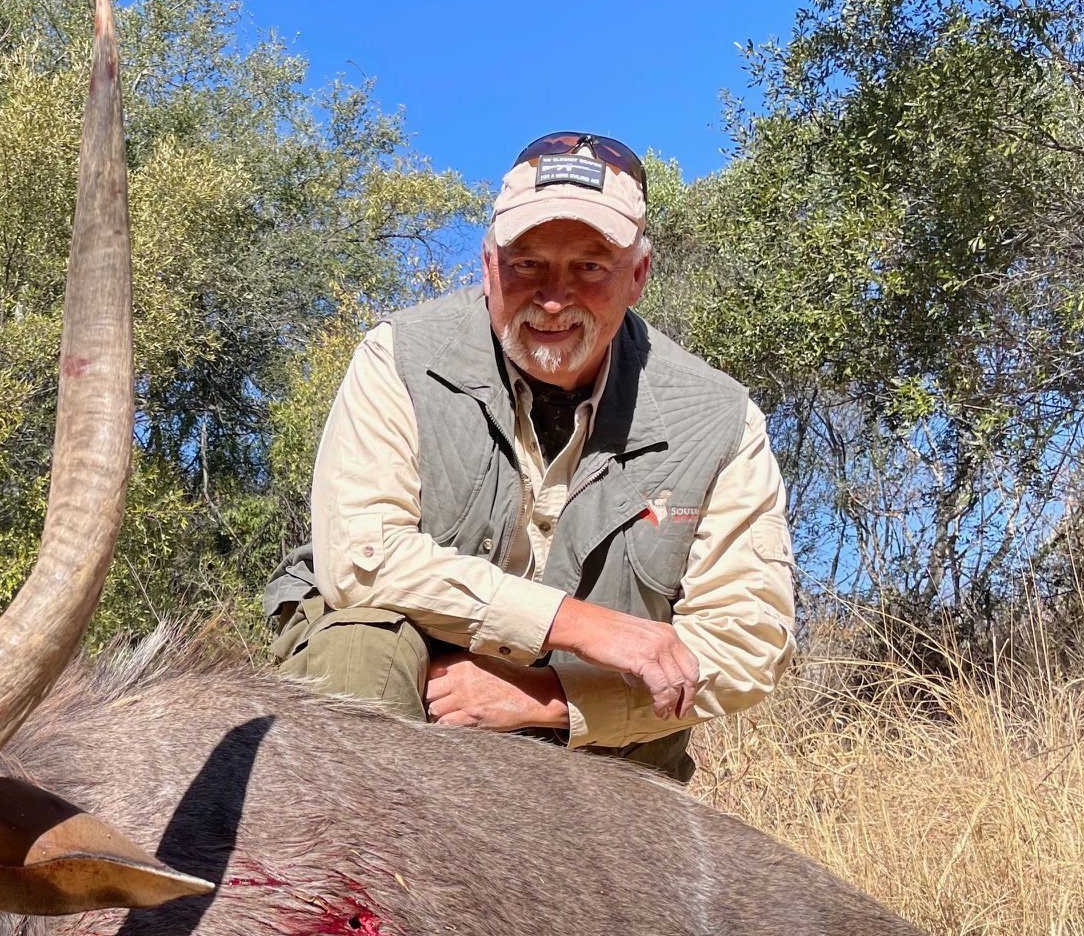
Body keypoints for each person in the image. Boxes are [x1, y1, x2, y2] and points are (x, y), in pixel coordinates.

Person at [265, 131, 795, 782]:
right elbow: (360, 560)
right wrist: (578, 625)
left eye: (590, 267)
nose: (552, 298)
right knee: (358, 643)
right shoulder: (396, 357)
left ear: (638, 276)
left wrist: (541, 698)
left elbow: (747, 644)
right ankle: (345, 878)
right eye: (528, 264)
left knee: (658, 709)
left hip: (588, 723)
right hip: (410, 688)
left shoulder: (721, 420)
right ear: (489, 265)